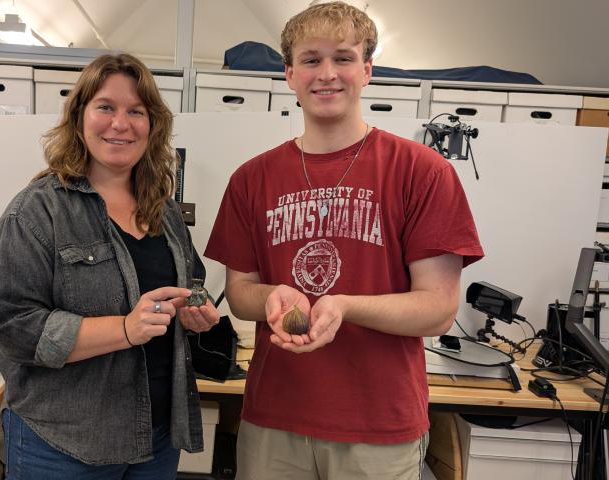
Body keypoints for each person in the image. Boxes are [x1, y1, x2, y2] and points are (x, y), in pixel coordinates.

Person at [205, 2, 484, 479]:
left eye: (344, 58)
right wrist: (274, 295)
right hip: (274, 417)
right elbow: (239, 294)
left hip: (379, 424)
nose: (327, 74)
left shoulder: (422, 172)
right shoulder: (251, 179)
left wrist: (344, 307)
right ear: (290, 74)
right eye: (311, 60)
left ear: (367, 70)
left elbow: (438, 309)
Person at [0, 53, 220, 480]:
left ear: (153, 125)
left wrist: (194, 311)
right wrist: (126, 329)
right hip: (65, 444)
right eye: (106, 107)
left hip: (157, 437)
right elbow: (16, 328)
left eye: (136, 111)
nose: (120, 123)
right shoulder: (37, 212)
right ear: (80, 117)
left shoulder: (165, 210)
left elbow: (193, 280)